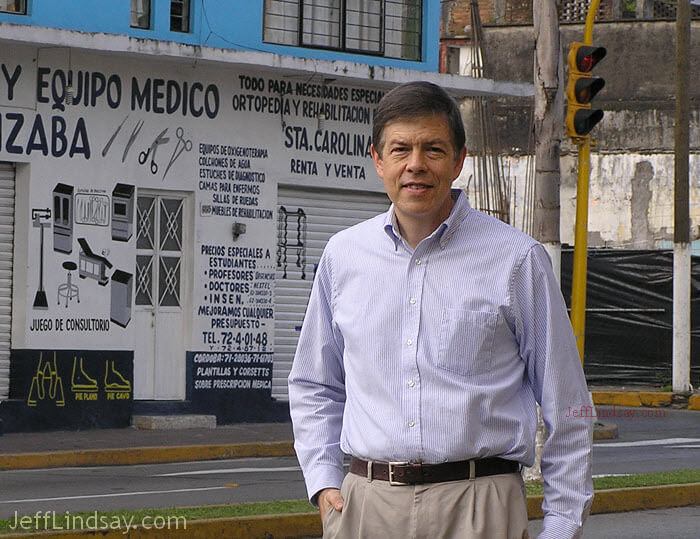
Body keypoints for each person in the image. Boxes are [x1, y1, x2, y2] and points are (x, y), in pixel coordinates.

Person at [288, 81, 593, 539]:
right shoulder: (343, 256)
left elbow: (567, 403)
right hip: (365, 507)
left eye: (433, 149)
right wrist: (323, 478)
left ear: (459, 160)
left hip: (479, 506)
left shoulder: (517, 261)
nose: (416, 165)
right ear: (377, 160)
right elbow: (314, 383)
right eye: (400, 149)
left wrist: (563, 525)